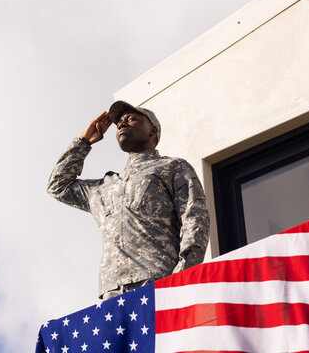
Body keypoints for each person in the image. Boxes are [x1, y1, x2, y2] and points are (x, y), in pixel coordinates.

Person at [47, 101, 210, 300]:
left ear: (153, 131)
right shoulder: (103, 188)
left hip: (159, 283)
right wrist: (84, 142)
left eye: (131, 119)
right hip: (112, 293)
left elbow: (195, 218)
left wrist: (183, 277)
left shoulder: (171, 167)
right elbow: (57, 186)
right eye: (119, 123)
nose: (122, 124)